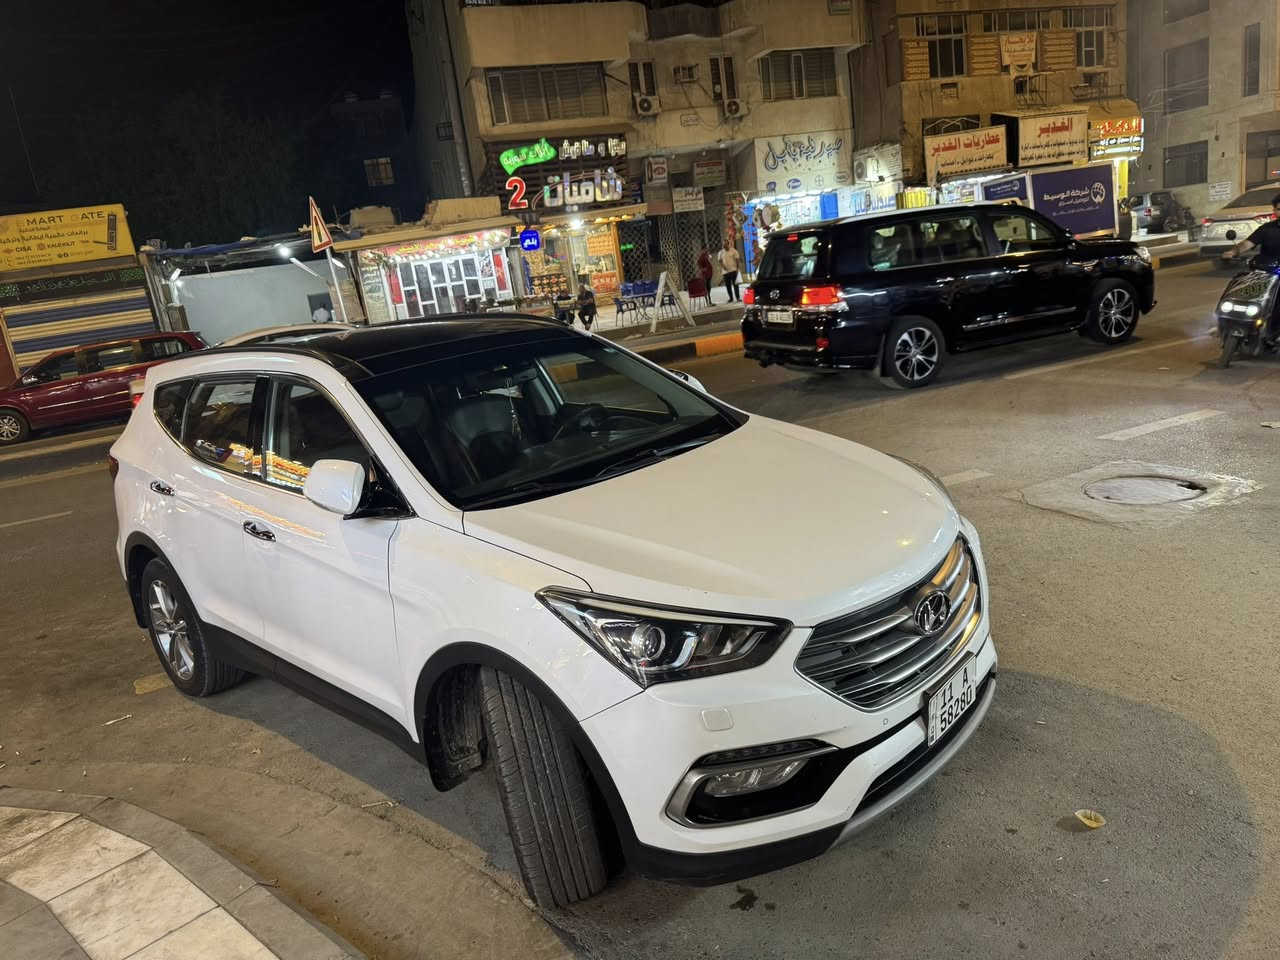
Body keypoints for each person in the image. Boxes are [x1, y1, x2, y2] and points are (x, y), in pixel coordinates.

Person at [1222, 193, 1280, 267]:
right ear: (1274, 210)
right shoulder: (1266, 228)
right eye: (1279, 209)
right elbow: (1247, 244)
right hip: (1268, 270)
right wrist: (1233, 252)